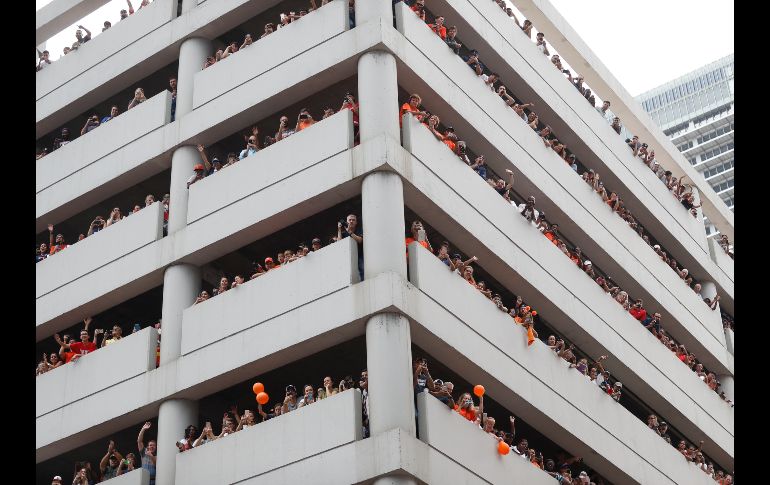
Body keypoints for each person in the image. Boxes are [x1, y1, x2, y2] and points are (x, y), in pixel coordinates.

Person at [338, 214, 363, 279]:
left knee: (362, 270)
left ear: (356, 222)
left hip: (360, 255)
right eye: (349, 220)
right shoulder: (344, 233)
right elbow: (339, 243)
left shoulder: (359, 229)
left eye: (353, 220)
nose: (351, 221)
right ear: (347, 222)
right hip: (348, 257)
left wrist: (350, 232)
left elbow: (360, 240)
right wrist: (339, 229)